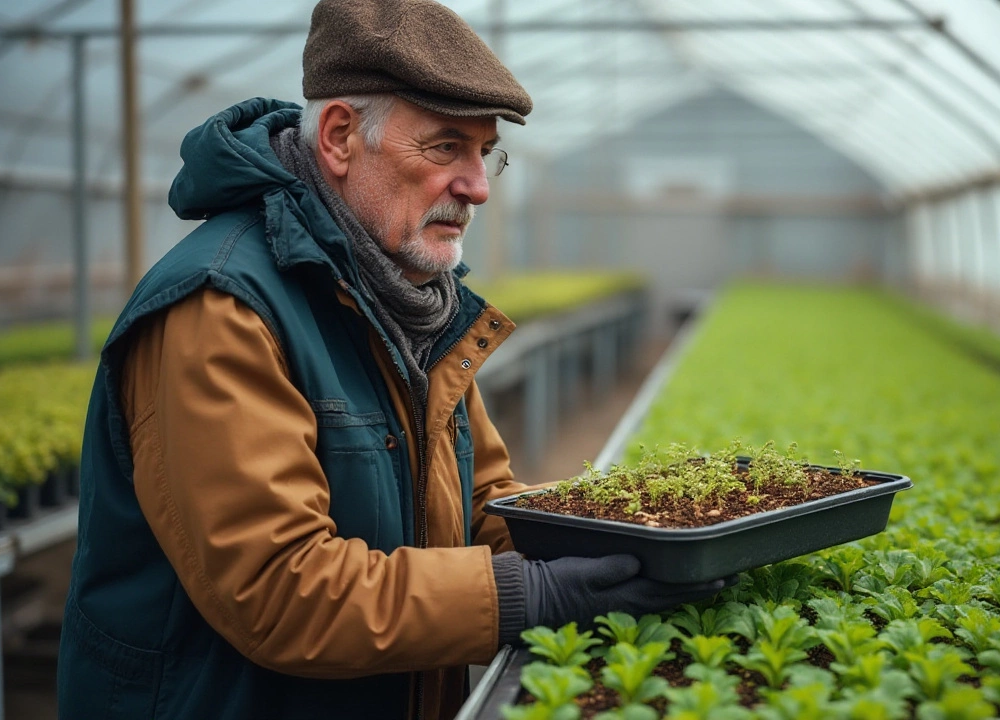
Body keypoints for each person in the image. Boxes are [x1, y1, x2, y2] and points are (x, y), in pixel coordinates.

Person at [57, 1, 729, 718]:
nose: (478, 187)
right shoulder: (222, 306)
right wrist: (527, 594)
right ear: (341, 136)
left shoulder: (409, 296)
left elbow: (482, 502)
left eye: (485, 152)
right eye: (445, 148)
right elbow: (281, 589)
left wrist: (627, 532)